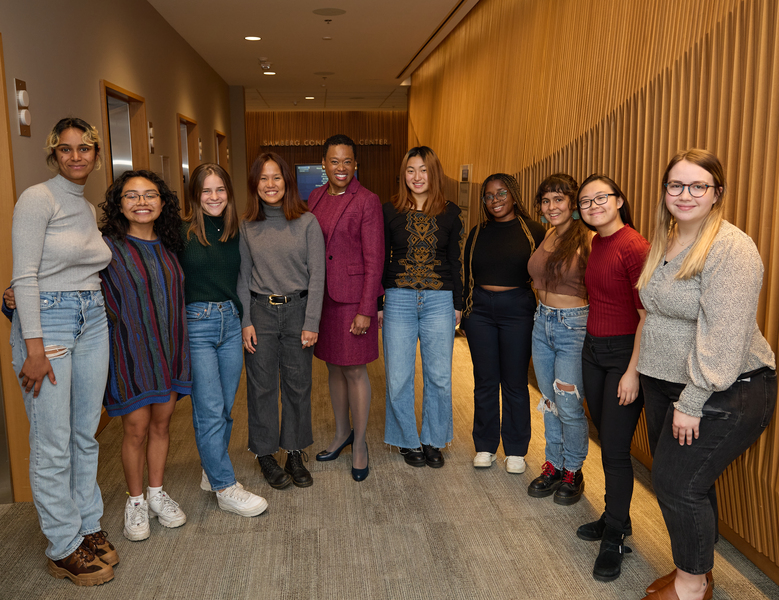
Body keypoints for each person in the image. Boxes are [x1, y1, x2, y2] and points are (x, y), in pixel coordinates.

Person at [635, 149, 776, 600]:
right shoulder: (666, 237)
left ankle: (693, 586)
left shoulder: (730, 248)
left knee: (677, 485)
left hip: (725, 387)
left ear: (717, 194)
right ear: (665, 191)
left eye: (699, 186)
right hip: (665, 381)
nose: (686, 194)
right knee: (689, 482)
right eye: (676, 185)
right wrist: (639, 372)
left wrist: (692, 401)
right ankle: (697, 570)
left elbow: (724, 337)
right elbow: (653, 314)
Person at [10, 117, 115, 585]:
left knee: (85, 433)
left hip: (92, 317)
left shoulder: (88, 207)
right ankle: (62, 544)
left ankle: (87, 525)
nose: (77, 157)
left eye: (85, 149)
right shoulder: (39, 198)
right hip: (48, 323)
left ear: (96, 153)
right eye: (67, 149)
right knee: (52, 441)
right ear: (55, 153)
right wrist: (33, 348)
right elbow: (25, 276)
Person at [99, 170, 191, 542]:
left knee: (162, 426)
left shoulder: (172, 246)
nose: (141, 202)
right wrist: (15, 297)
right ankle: (135, 500)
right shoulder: (105, 247)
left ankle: (156, 493)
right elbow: (65, 274)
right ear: (119, 205)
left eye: (150, 195)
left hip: (169, 350)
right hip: (131, 354)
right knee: (135, 429)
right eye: (132, 196)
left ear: (163, 202)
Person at [179, 163, 268, 515]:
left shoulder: (236, 231)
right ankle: (224, 485)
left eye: (220, 190)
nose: (213, 197)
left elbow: (243, 281)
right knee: (210, 409)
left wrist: (245, 321)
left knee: (225, 409)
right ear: (195, 195)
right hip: (196, 325)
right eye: (206, 191)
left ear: (229, 194)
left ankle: (209, 469)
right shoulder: (181, 232)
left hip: (231, 324)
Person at [575, 174, 649, 581]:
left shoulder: (635, 245)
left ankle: (615, 536)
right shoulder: (598, 242)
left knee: (616, 451)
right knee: (605, 438)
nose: (593, 206)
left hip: (624, 354)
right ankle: (613, 516)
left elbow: (646, 315)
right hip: (593, 350)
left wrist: (632, 372)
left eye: (601, 198)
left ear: (619, 200)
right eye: (585, 201)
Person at [238, 152, 325, 489]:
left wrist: (312, 321)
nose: (270, 184)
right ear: (255, 184)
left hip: (298, 312)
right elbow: (243, 276)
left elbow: (318, 275)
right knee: (261, 388)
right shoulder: (247, 225)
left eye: (276, 177)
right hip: (260, 312)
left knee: (298, 385)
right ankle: (264, 454)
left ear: (287, 182)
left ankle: (293, 451)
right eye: (263, 178)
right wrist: (246, 319)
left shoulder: (307, 222)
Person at [380, 146, 463, 468]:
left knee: (439, 377)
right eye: (411, 170)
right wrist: (378, 303)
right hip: (398, 299)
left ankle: (432, 439)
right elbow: (382, 258)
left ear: (434, 173)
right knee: (399, 376)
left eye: (423, 170)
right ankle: (406, 440)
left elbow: (455, 261)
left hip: (439, 300)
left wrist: (458, 303)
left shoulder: (452, 212)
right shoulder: (389, 211)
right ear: (403, 174)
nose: (417, 177)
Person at [308, 135, 384, 482]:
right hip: (323, 299)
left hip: (354, 300)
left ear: (356, 165)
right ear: (324, 164)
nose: (341, 168)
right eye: (334, 161)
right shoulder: (315, 197)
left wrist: (367, 307)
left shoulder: (367, 201)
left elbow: (375, 257)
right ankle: (341, 434)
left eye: (347, 161)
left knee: (354, 371)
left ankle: (360, 445)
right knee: (333, 369)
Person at [461, 173, 545, 474]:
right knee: (485, 380)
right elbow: (465, 273)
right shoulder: (477, 232)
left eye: (501, 193)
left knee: (514, 382)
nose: (495, 200)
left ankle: (516, 450)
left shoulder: (534, 230)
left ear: (514, 195)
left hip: (517, 311)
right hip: (480, 311)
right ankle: (484, 446)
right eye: (488, 195)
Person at [526, 174, 592, 504]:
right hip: (542, 324)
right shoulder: (548, 234)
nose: (552, 206)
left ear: (573, 203)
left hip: (573, 328)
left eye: (559, 199)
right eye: (546, 200)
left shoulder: (588, 238)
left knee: (568, 405)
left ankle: (573, 469)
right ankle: (553, 465)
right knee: (549, 402)